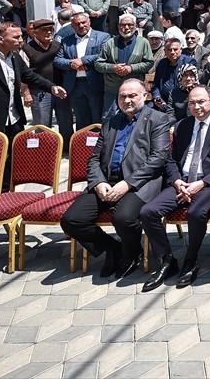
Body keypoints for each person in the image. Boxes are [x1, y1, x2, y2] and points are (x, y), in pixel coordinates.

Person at [61, 78, 173, 280]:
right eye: (123, 96)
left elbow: (158, 158)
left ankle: (131, 254)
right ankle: (114, 249)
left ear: (145, 96)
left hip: (140, 183)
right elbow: (94, 158)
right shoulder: (110, 122)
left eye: (132, 95)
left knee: (123, 218)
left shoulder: (158, 119)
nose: (127, 100)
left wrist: (127, 184)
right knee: (71, 220)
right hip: (107, 182)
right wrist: (98, 182)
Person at [139, 86, 210, 291]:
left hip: (209, 182)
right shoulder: (183, 125)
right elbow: (171, 159)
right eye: (192, 103)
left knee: (196, 213)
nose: (197, 106)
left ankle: (191, 260)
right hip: (182, 181)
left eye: (201, 101)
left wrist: (201, 183)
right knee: (148, 212)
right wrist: (177, 182)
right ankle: (167, 260)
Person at [0, 22, 67, 193]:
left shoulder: (15, 57)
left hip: (14, 118)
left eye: (20, 36)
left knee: (13, 161)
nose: (20, 40)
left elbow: (29, 75)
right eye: (15, 37)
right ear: (1, 39)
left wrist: (51, 87)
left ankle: (8, 198)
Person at [54, 12, 110, 128]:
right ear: (72, 26)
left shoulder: (103, 37)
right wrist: (72, 63)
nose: (81, 26)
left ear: (89, 22)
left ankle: (97, 144)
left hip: (94, 83)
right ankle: (82, 144)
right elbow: (58, 60)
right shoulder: (66, 41)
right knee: (81, 119)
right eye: (77, 24)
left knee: (97, 118)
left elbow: (104, 55)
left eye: (83, 22)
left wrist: (83, 60)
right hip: (75, 85)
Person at [95, 14, 154, 113]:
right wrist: (113, 68)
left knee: (135, 117)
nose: (126, 28)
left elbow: (149, 62)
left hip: (134, 88)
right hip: (113, 89)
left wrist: (131, 68)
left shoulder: (143, 42)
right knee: (110, 118)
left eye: (130, 25)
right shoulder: (110, 42)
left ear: (135, 26)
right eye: (123, 25)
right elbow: (98, 64)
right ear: (118, 26)